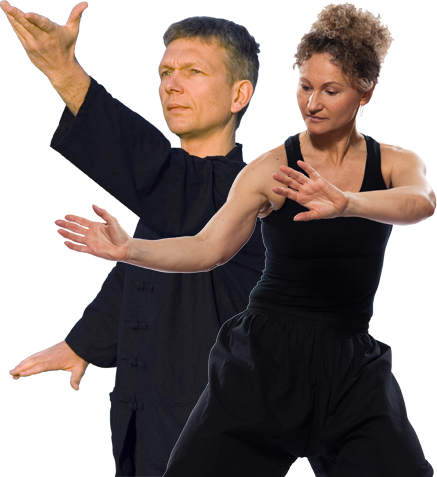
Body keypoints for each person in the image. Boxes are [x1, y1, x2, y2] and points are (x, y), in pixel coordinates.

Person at [54, 3, 436, 476]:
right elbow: (207, 247)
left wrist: (348, 204)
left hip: (351, 366)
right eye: (305, 86)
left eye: (330, 90)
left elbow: (421, 202)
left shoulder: (395, 161)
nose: (313, 103)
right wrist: (129, 249)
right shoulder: (271, 169)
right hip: (264, 361)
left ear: (364, 93)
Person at [1, 1, 267, 475]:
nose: (172, 84)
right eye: (166, 71)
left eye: (193, 71)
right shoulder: (174, 198)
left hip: (215, 433)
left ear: (239, 94)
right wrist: (84, 344)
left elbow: (164, 178)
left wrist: (65, 74)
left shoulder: (248, 193)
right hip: (144, 426)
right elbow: (136, 276)